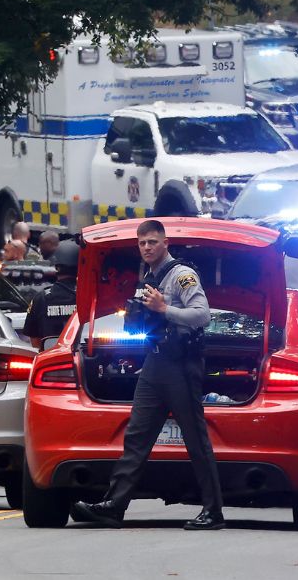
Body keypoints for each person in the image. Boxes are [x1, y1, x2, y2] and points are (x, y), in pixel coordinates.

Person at [70, 220, 224, 531]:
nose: (147, 247)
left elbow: (202, 315)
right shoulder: (148, 276)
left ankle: (213, 512)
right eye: (142, 243)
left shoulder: (182, 275)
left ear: (165, 243)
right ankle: (114, 505)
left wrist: (164, 308)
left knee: (195, 439)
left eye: (152, 242)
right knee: (136, 437)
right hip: (154, 363)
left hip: (181, 365)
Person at [23, 240, 78, 349]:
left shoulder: (41, 298)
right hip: (82, 358)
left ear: (56, 267)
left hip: (50, 360)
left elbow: (34, 340)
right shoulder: (88, 297)